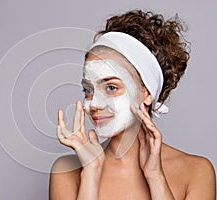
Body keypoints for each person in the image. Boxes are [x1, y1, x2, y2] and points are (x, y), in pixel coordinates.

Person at [49, 10, 216, 200]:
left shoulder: (196, 172)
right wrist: (91, 172)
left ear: (146, 93)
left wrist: (155, 177)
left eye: (111, 87)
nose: (94, 103)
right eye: (88, 90)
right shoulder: (67, 171)